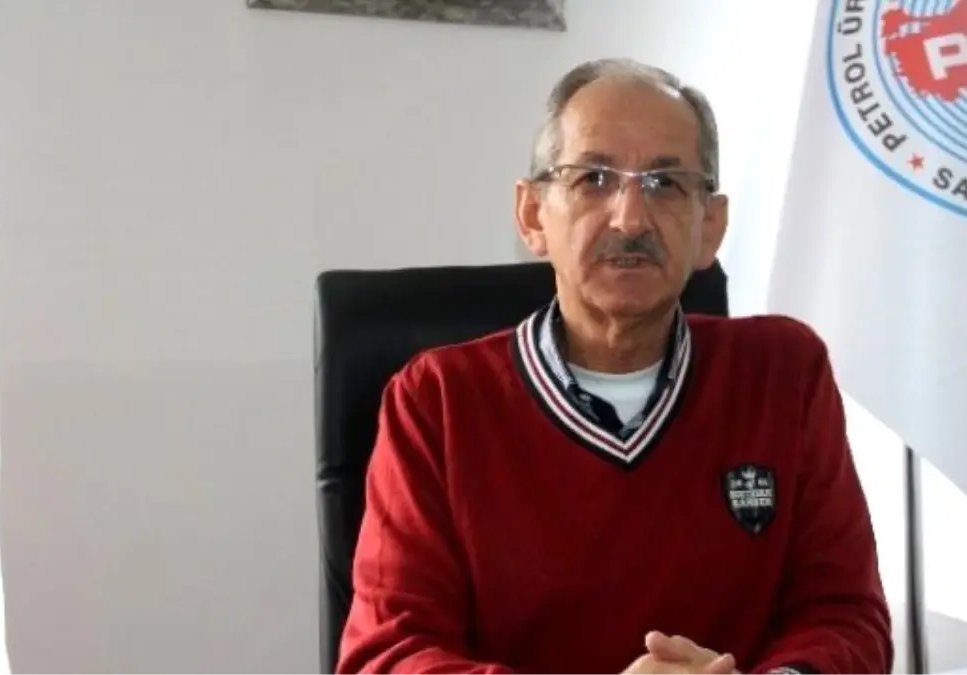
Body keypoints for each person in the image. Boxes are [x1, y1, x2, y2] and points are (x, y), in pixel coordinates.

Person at [335, 58, 893, 675]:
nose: (630, 219)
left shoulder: (784, 372)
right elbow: (388, 654)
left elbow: (845, 613)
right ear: (532, 215)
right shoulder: (436, 399)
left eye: (666, 183)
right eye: (594, 178)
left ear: (710, 226)